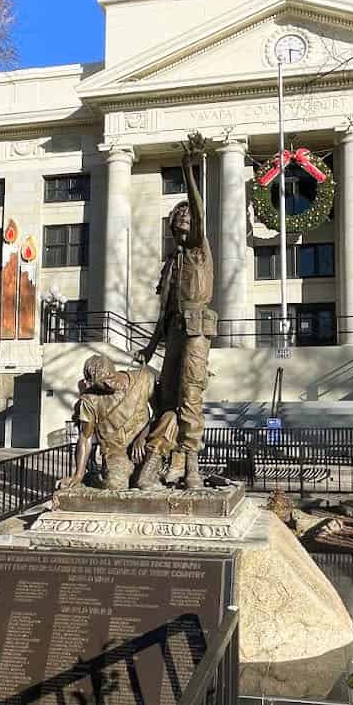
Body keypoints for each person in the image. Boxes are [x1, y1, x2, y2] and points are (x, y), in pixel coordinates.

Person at [133, 135, 217, 492]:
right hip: (174, 333)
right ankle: (154, 463)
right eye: (178, 214)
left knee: (190, 396)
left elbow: (198, 209)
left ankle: (191, 467)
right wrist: (151, 348)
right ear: (171, 224)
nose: (185, 216)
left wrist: (188, 169)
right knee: (167, 400)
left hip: (197, 328)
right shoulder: (171, 263)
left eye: (188, 214)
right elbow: (164, 313)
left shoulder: (199, 249)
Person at [58, 354, 156, 492]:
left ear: (113, 371)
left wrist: (142, 437)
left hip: (146, 445)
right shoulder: (90, 400)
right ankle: (92, 477)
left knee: (171, 420)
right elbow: (85, 438)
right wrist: (78, 475)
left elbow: (159, 413)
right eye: (101, 382)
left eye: (109, 378)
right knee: (115, 485)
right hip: (115, 452)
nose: (108, 384)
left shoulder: (144, 379)